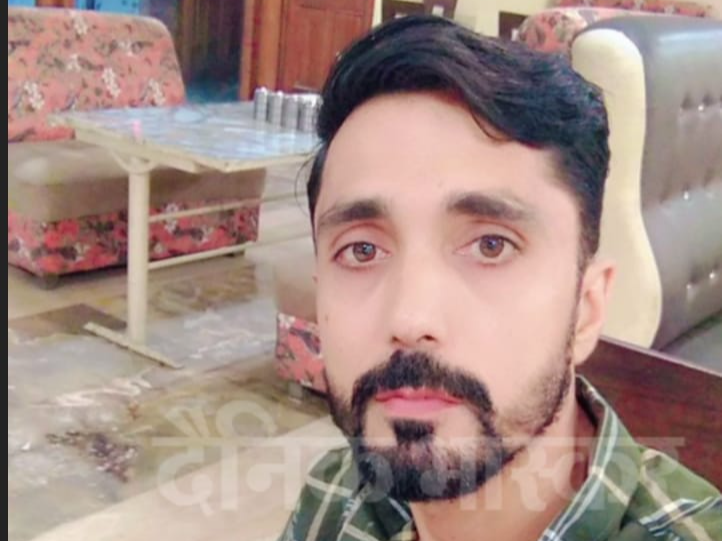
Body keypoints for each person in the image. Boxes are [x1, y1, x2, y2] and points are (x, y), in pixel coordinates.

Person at [278, 16, 721, 541]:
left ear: (586, 309)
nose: (410, 319)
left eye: (491, 245)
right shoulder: (335, 497)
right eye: (362, 250)